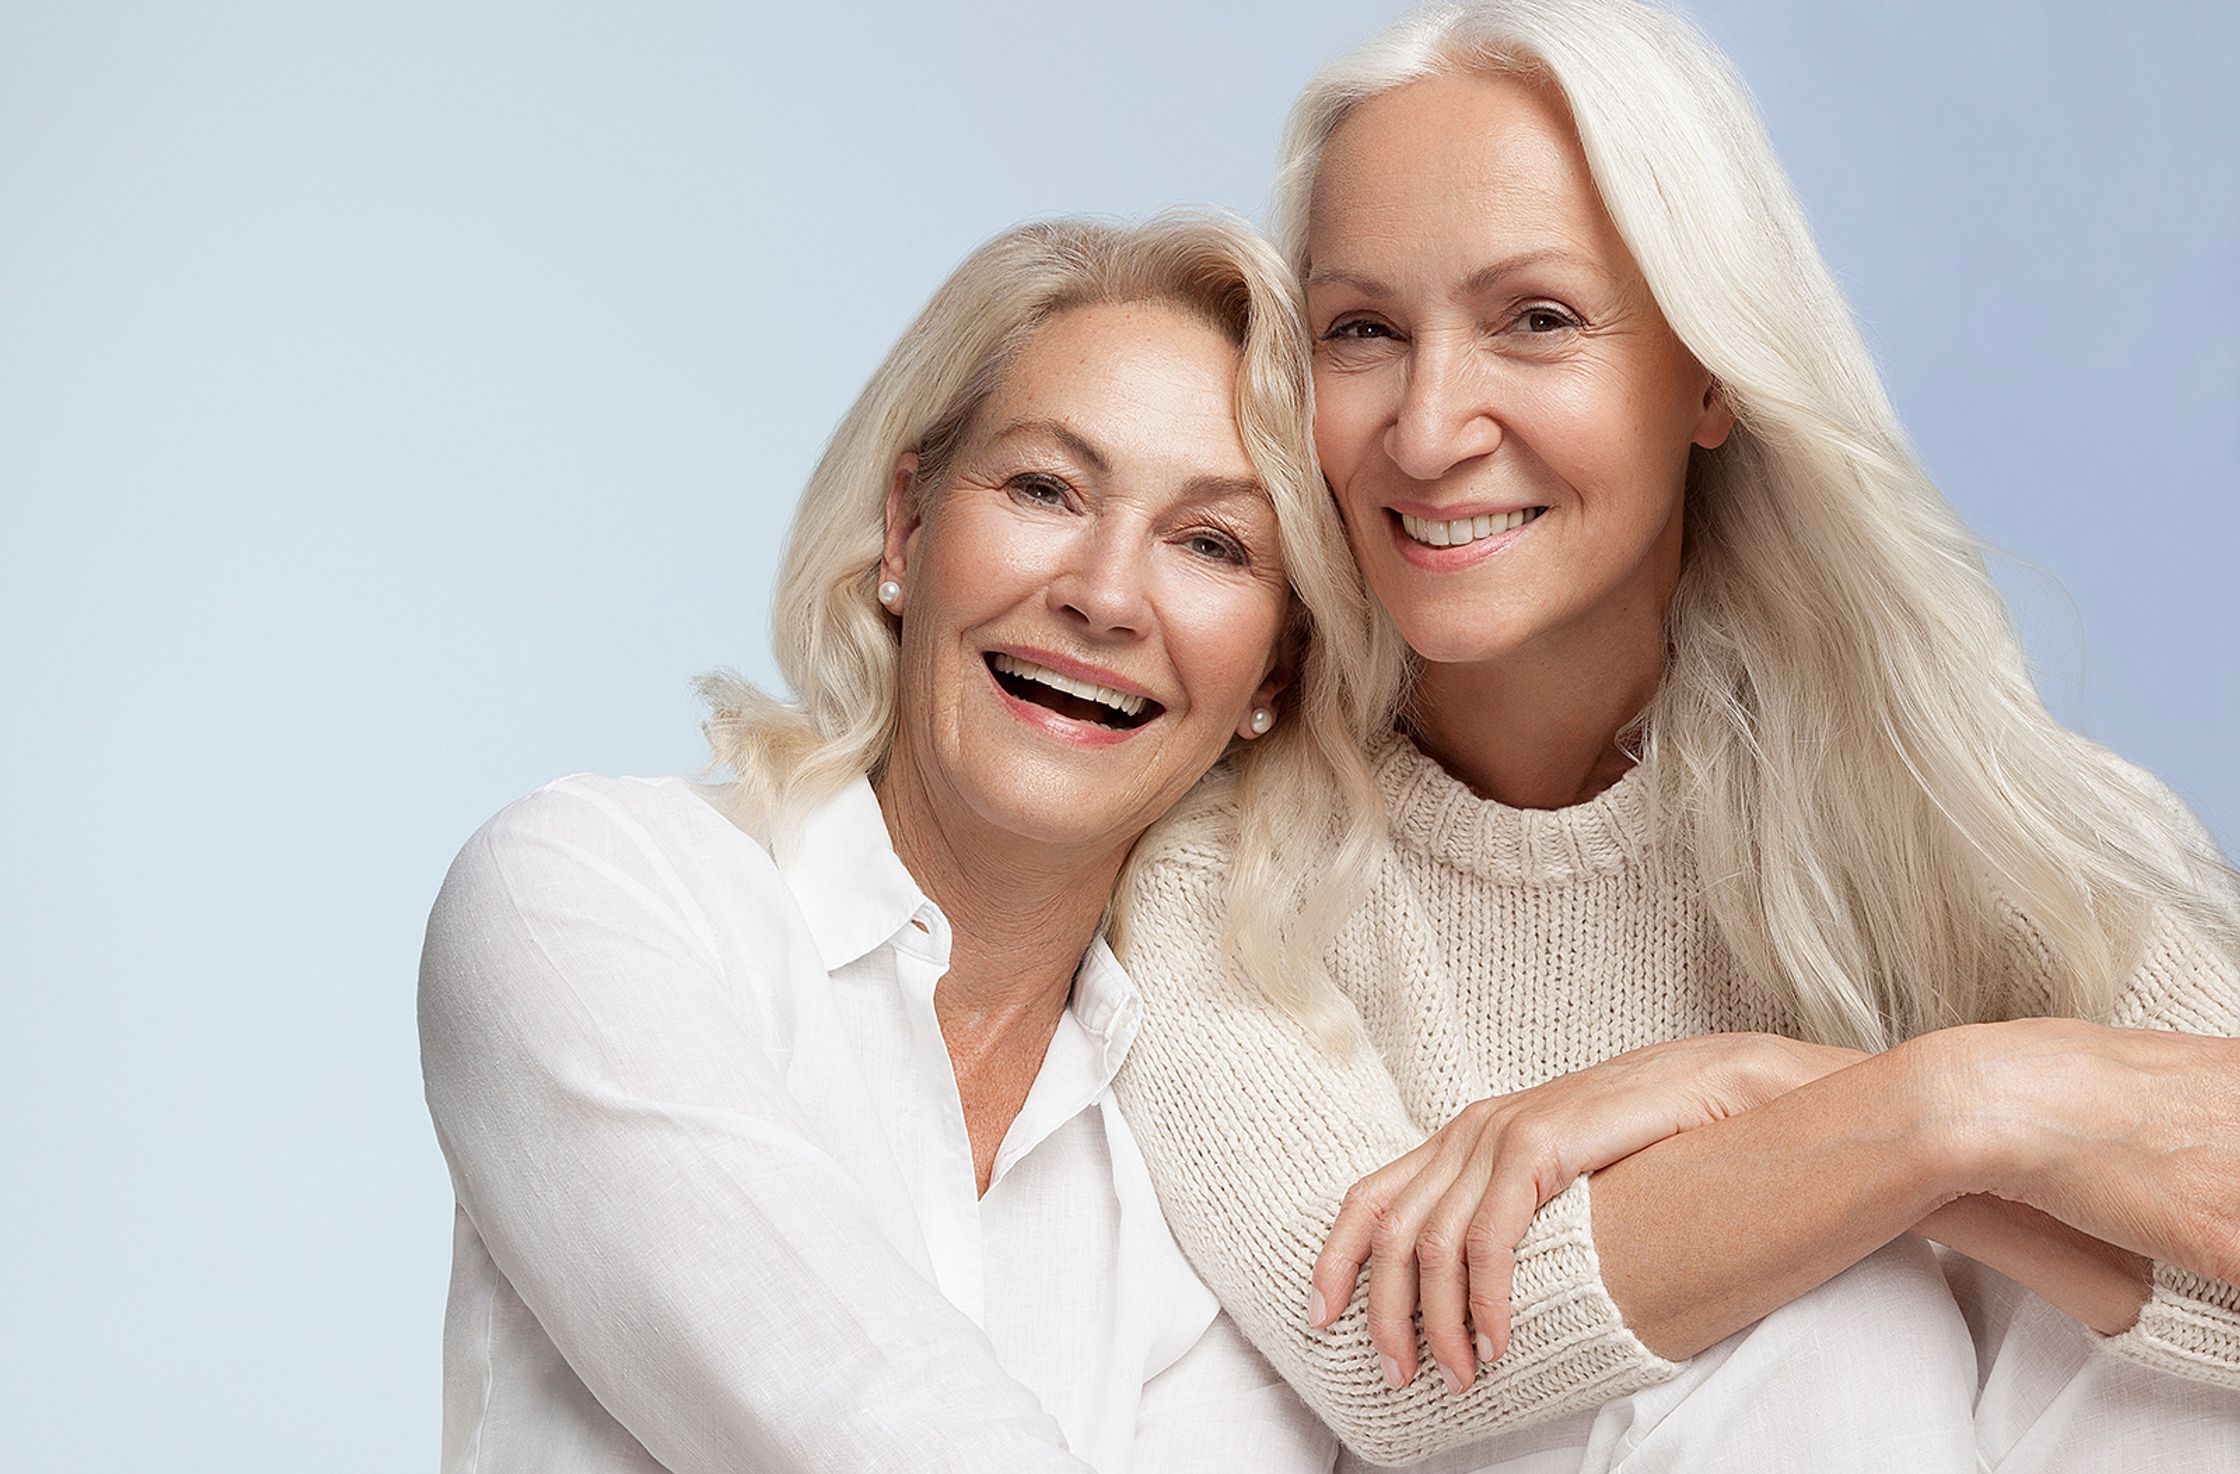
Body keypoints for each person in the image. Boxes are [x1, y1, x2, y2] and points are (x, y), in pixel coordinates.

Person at [1108, 3, 2240, 1470]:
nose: (1432, 426)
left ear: (1708, 372)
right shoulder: (1222, 874)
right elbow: (1387, 1360)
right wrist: (1914, 1138)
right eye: (1364, 332)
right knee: (1853, 1314)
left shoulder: (1938, 796)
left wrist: (1887, 1103)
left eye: (1538, 319)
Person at [415, 212, 1393, 1472]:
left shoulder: (1199, 1165)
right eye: (1044, 487)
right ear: (906, 526)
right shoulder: (587, 894)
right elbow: (872, 1426)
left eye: (1211, 543)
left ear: (1278, 666)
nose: (1102, 594)